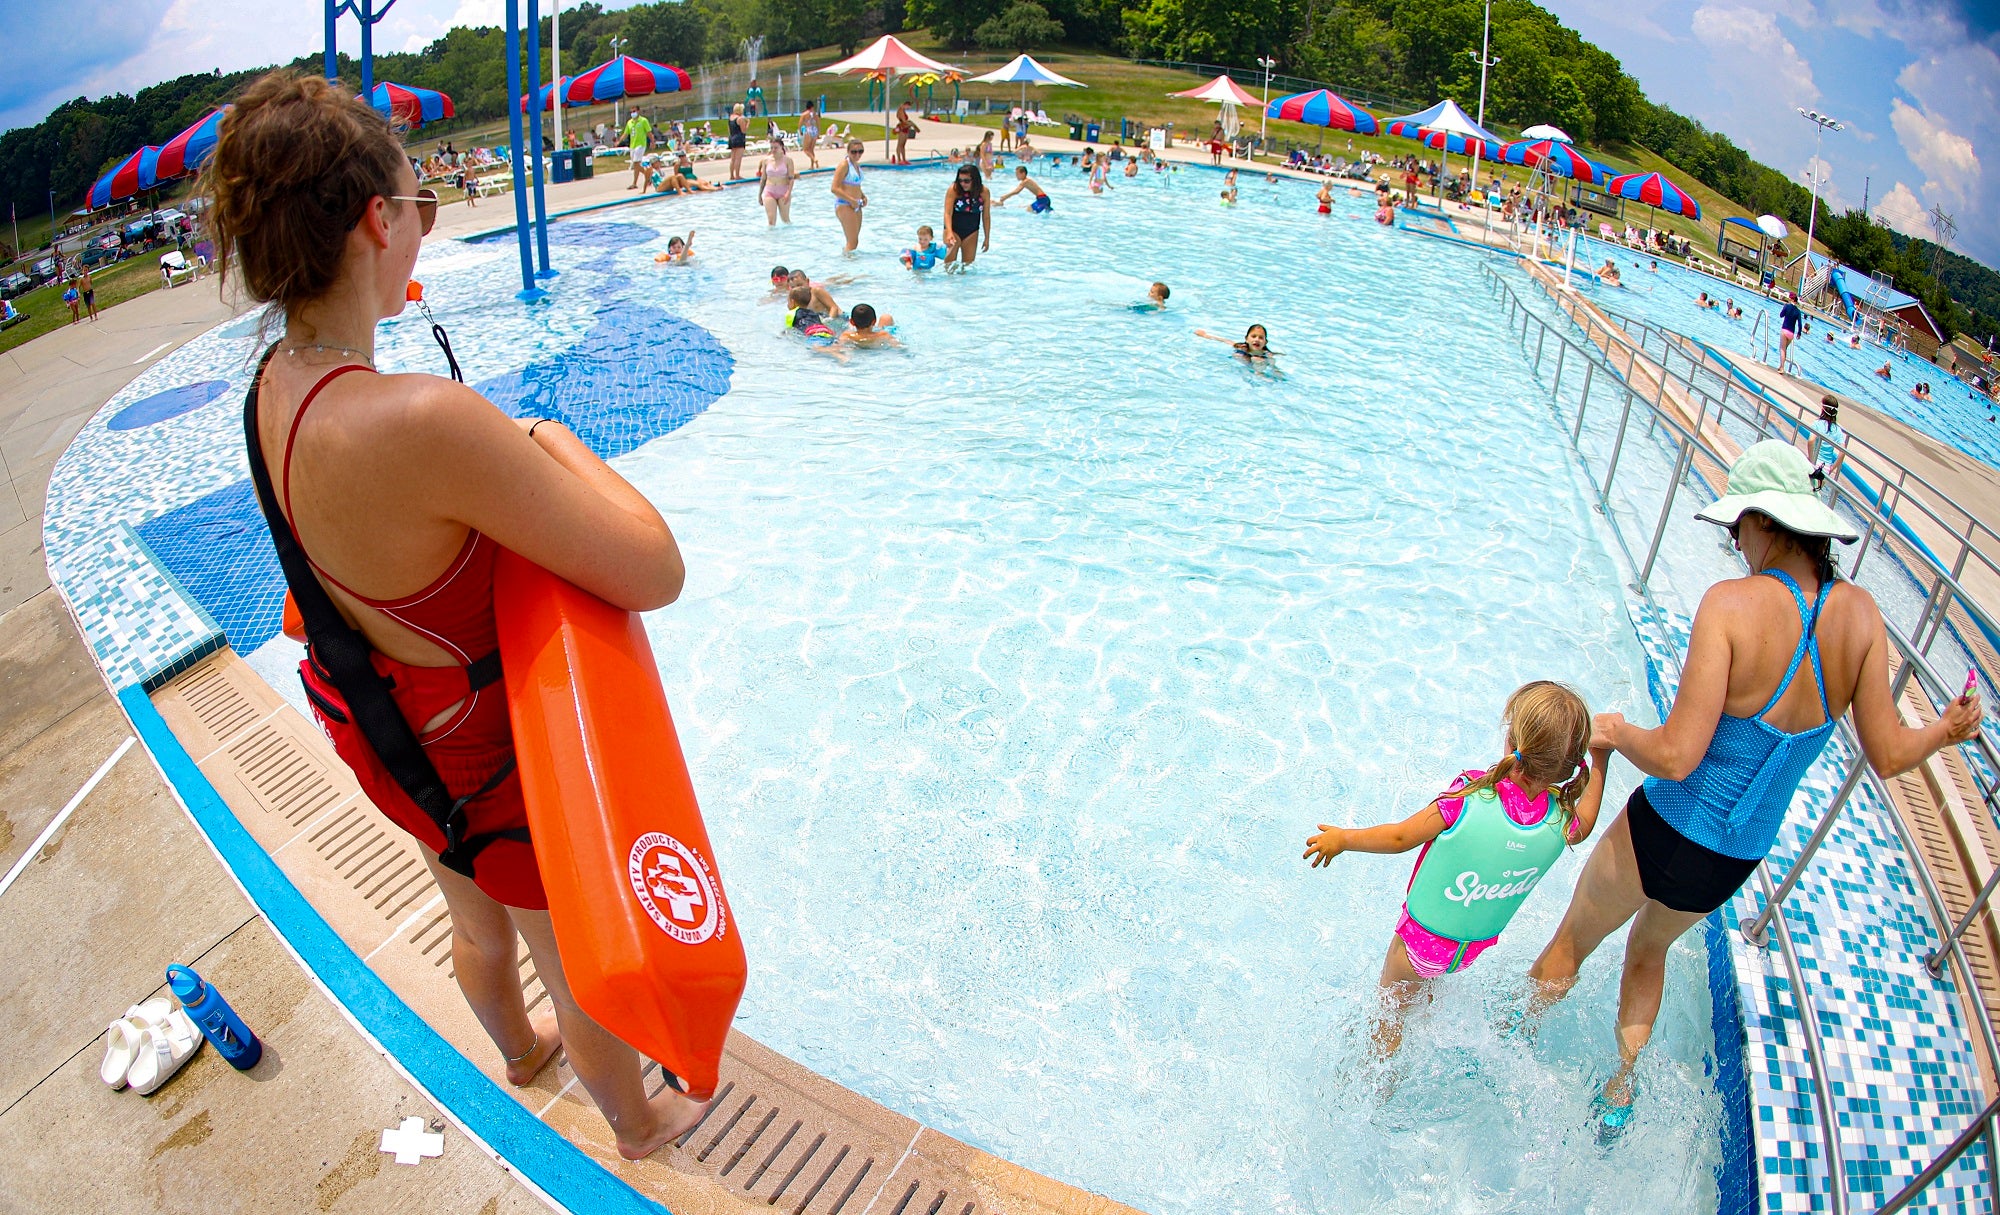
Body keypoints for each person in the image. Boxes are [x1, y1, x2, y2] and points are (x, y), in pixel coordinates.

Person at [214, 70, 708, 1159]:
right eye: (420, 206)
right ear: (377, 221)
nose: (424, 230)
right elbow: (652, 569)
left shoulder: (273, 387)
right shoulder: (421, 420)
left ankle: (517, 1054)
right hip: (485, 762)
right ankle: (633, 1120)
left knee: (473, 917)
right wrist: (551, 443)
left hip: (390, 732)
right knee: (565, 945)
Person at [1528, 440, 1982, 1133]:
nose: (1735, 541)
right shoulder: (1861, 617)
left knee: (1570, 946)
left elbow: (1678, 756)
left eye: (1739, 524)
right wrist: (1945, 733)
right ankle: (1619, 1092)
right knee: (1649, 950)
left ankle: (1506, 1039)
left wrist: (1617, 735)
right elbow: (1888, 755)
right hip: (1732, 861)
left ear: (1767, 521)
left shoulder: (1731, 606)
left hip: (1668, 824)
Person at [1305, 682, 1610, 1056]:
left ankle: (1376, 1079)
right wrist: (1602, 762)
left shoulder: (1471, 797)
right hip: (1468, 948)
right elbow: (1588, 821)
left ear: (1513, 741)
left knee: (1389, 1018)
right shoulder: (1560, 820)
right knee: (1424, 988)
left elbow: (1402, 838)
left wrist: (1344, 839)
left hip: (1419, 943)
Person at [942, 163, 991, 269]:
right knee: (949, 266)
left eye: (966, 181)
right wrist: (949, 232)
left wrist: (987, 237)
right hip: (954, 230)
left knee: (967, 267)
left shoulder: (984, 192)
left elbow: (986, 216)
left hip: (972, 231)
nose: (962, 183)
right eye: (960, 180)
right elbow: (947, 213)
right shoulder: (954, 190)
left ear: (975, 180)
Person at [1807, 396, 1844, 504]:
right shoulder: (1837, 430)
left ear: (1823, 409)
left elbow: (1811, 441)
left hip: (1814, 463)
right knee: (1815, 495)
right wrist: (1832, 467)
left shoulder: (1818, 424)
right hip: (1826, 468)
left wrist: (1811, 459)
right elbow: (1842, 452)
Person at [832, 140, 867, 253]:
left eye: (860, 151)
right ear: (848, 152)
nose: (857, 155)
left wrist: (863, 196)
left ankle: (848, 260)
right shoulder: (844, 165)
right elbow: (834, 188)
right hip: (845, 204)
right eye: (854, 152)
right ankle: (845, 266)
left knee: (854, 241)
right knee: (852, 242)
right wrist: (851, 200)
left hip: (856, 204)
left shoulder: (856, 165)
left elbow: (856, 186)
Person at [759, 134, 796, 226]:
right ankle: (772, 239)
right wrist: (759, 194)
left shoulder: (788, 160)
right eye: (771, 148)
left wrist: (788, 193)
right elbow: (763, 178)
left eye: (776, 148)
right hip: (769, 191)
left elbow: (791, 178)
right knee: (771, 221)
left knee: (785, 220)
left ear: (781, 147)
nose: (773, 150)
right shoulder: (766, 161)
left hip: (783, 191)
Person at [1195, 324, 1276, 361]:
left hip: (1258, 362)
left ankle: (1259, 374)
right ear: (1246, 339)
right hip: (1244, 358)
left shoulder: (1267, 354)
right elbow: (1225, 340)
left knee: (1258, 360)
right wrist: (1205, 335)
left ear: (1265, 342)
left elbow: (1274, 367)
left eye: (1261, 338)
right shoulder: (1241, 347)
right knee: (1237, 355)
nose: (1257, 339)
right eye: (1253, 336)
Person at [624, 110, 653, 191]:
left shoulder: (643, 120)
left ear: (638, 111)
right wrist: (619, 141)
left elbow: (649, 132)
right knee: (636, 165)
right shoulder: (630, 122)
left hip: (640, 145)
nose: (632, 113)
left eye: (634, 111)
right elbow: (626, 133)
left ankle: (648, 176)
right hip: (632, 145)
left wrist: (652, 141)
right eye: (631, 111)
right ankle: (635, 183)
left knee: (636, 163)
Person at [726, 104, 749, 181]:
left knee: (733, 158)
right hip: (739, 139)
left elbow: (729, 130)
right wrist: (748, 123)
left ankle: (732, 175)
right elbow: (744, 130)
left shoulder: (730, 118)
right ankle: (737, 175)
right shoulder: (740, 119)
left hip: (732, 138)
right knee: (738, 159)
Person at [798, 104, 821, 169]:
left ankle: (814, 159)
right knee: (811, 149)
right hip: (814, 130)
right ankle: (812, 165)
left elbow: (800, 124)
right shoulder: (815, 114)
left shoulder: (804, 114)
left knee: (805, 149)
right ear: (812, 107)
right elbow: (818, 123)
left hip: (808, 130)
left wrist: (800, 131)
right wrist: (818, 133)